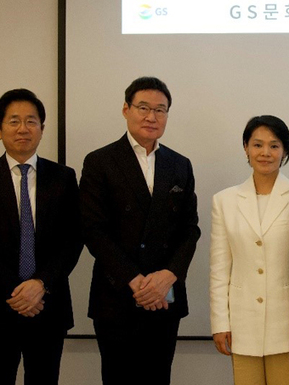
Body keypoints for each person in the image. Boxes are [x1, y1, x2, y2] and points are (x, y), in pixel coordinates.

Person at [80, 77, 201, 385]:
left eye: (160, 110)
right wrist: (136, 282)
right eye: (143, 108)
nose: (151, 117)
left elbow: (190, 229)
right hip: (117, 296)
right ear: (126, 109)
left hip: (165, 296)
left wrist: (168, 276)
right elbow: (93, 230)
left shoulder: (180, 164)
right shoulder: (100, 161)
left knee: (159, 378)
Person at [0, 89, 82, 384]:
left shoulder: (63, 177)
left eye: (31, 121)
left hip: (47, 306)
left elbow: (73, 239)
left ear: (42, 128)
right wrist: (16, 292)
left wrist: (40, 285)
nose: (23, 129)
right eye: (14, 121)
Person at [210, 115, 289, 385]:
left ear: (285, 151)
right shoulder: (225, 200)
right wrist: (220, 323)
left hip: (288, 325)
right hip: (242, 325)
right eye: (257, 145)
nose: (265, 153)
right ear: (246, 148)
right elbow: (219, 269)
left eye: (274, 146)